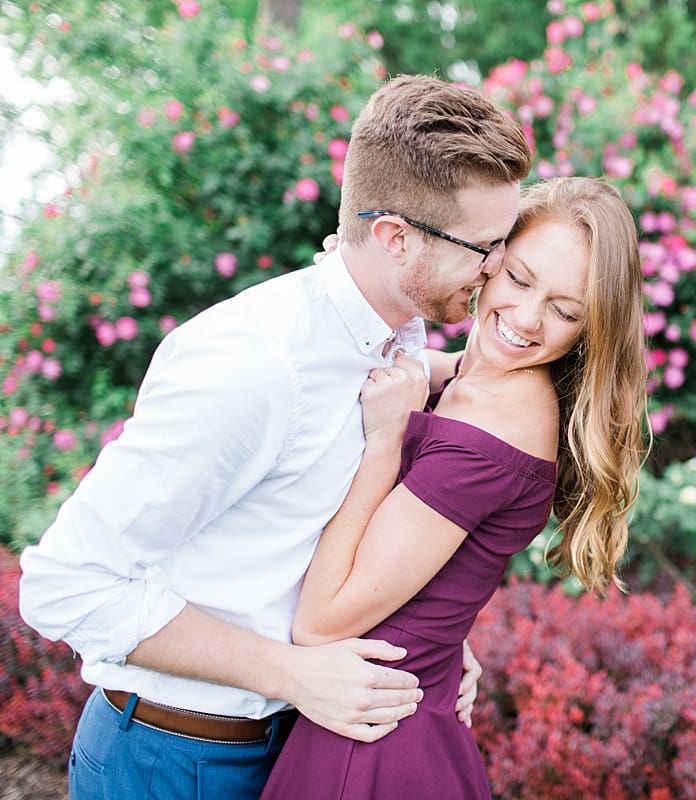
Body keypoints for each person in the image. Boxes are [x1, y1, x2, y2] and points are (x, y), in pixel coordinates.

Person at [17, 73, 531, 799]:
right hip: (174, 759)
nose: (497, 269)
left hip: (297, 745)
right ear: (396, 239)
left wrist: (436, 645)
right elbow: (66, 586)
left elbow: (321, 529)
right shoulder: (254, 365)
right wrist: (292, 674)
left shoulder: (397, 341)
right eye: (486, 246)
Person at [260, 176, 649, 799]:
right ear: (487, 260)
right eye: (519, 279)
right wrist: (356, 278)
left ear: (591, 326)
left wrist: (385, 444)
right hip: (382, 713)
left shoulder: (493, 431)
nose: (526, 319)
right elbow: (426, 368)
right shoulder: (476, 379)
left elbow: (322, 623)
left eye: (565, 310)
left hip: (369, 750)